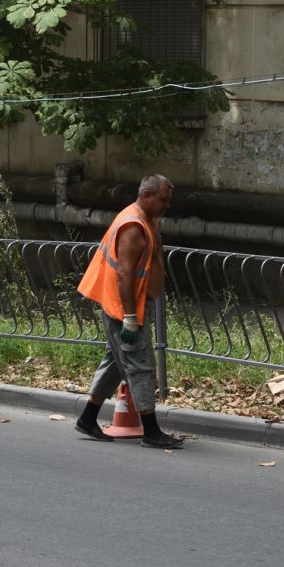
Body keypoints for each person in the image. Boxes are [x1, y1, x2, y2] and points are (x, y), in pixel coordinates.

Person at [73, 174, 183, 449]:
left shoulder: (146, 220)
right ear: (147, 196)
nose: (167, 206)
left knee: (114, 363)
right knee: (140, 366)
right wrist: (131, 318)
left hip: (125, 305)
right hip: (123, 308)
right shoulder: (133, 225)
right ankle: (151, 431)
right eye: (164, 200)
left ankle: (87, 418)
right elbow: (124, 273)